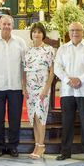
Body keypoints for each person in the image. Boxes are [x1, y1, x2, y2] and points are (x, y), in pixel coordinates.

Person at [54, 22, 84, 163]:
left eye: (78, 30)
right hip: (67, 91)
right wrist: (69, 80)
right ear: (69, 32)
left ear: (83, 32)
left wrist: (80, 79)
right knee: (67, 123)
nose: (75, 32)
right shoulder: (62, 49)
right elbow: (57, 67)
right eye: (72, 30)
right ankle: (65, 151)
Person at [0, 15, 26, 157]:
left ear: (12, 26)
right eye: (4, 24)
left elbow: (24, 65)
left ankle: (13, 146)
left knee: (15, 118)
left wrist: (24, 85)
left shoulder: (20, 42)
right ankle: (0, 146)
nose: (7, 26)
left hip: (15, 86)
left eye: (9, 24)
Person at [23, 22, 55, 159]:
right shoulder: (28, 50)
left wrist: (46, 89)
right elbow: (24, 71)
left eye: (39, 32)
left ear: (43, 35)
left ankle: (41, 146)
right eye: (34, 32)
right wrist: (24, 88)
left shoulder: (49, 49)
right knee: (34, 117)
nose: (36, 34)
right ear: (31, 34)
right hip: (30, 88)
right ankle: (37, 145)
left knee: (40, 116)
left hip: (42, 87)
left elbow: (52, 71)